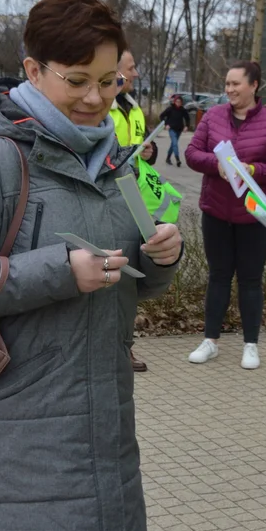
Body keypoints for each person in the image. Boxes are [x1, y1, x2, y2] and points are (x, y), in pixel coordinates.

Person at [0, 0, 184, 531]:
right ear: (34, 71)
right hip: (17, 443)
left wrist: (161, 258)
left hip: (107, 433)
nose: (96, 98)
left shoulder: (118, 164)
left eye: (109, 81)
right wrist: (61, 271)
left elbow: (139, 276)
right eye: (79, 80)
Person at [184, 60, 266, 370]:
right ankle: (210, 341)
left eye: (236, 84)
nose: (229, 89)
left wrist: (253, 170)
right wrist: (215, 165)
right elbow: (192, 153)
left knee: (250, 280)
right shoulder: (213, 117)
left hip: (256, 217)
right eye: (228, 84)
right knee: (218, 277)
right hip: (217, 211)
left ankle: (251, 345)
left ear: (254, 85)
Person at [112, 50, 182, 372]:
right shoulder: (102, 105)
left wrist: (149, 153)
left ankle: (124, 346)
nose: (136, 73)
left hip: (135, 195)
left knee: (131, 274)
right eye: (131, 67)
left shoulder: (134, 108)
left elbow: (137, 154)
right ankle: (114, 347)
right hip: (111, 196)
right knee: (115, 271)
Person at [159, 94, 191, 167]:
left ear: (181, 102)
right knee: (175, 143)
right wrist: (166, 124)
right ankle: (177, 159)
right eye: (177, 101)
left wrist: (186, 126)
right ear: (174, 101)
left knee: (173, 144)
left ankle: (168, 158)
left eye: (179, 102)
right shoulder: (170, 109)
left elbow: (187, 118)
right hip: (171, 129)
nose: (178, 103)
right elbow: (161, 116)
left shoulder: (183, 110)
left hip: (179, 129)